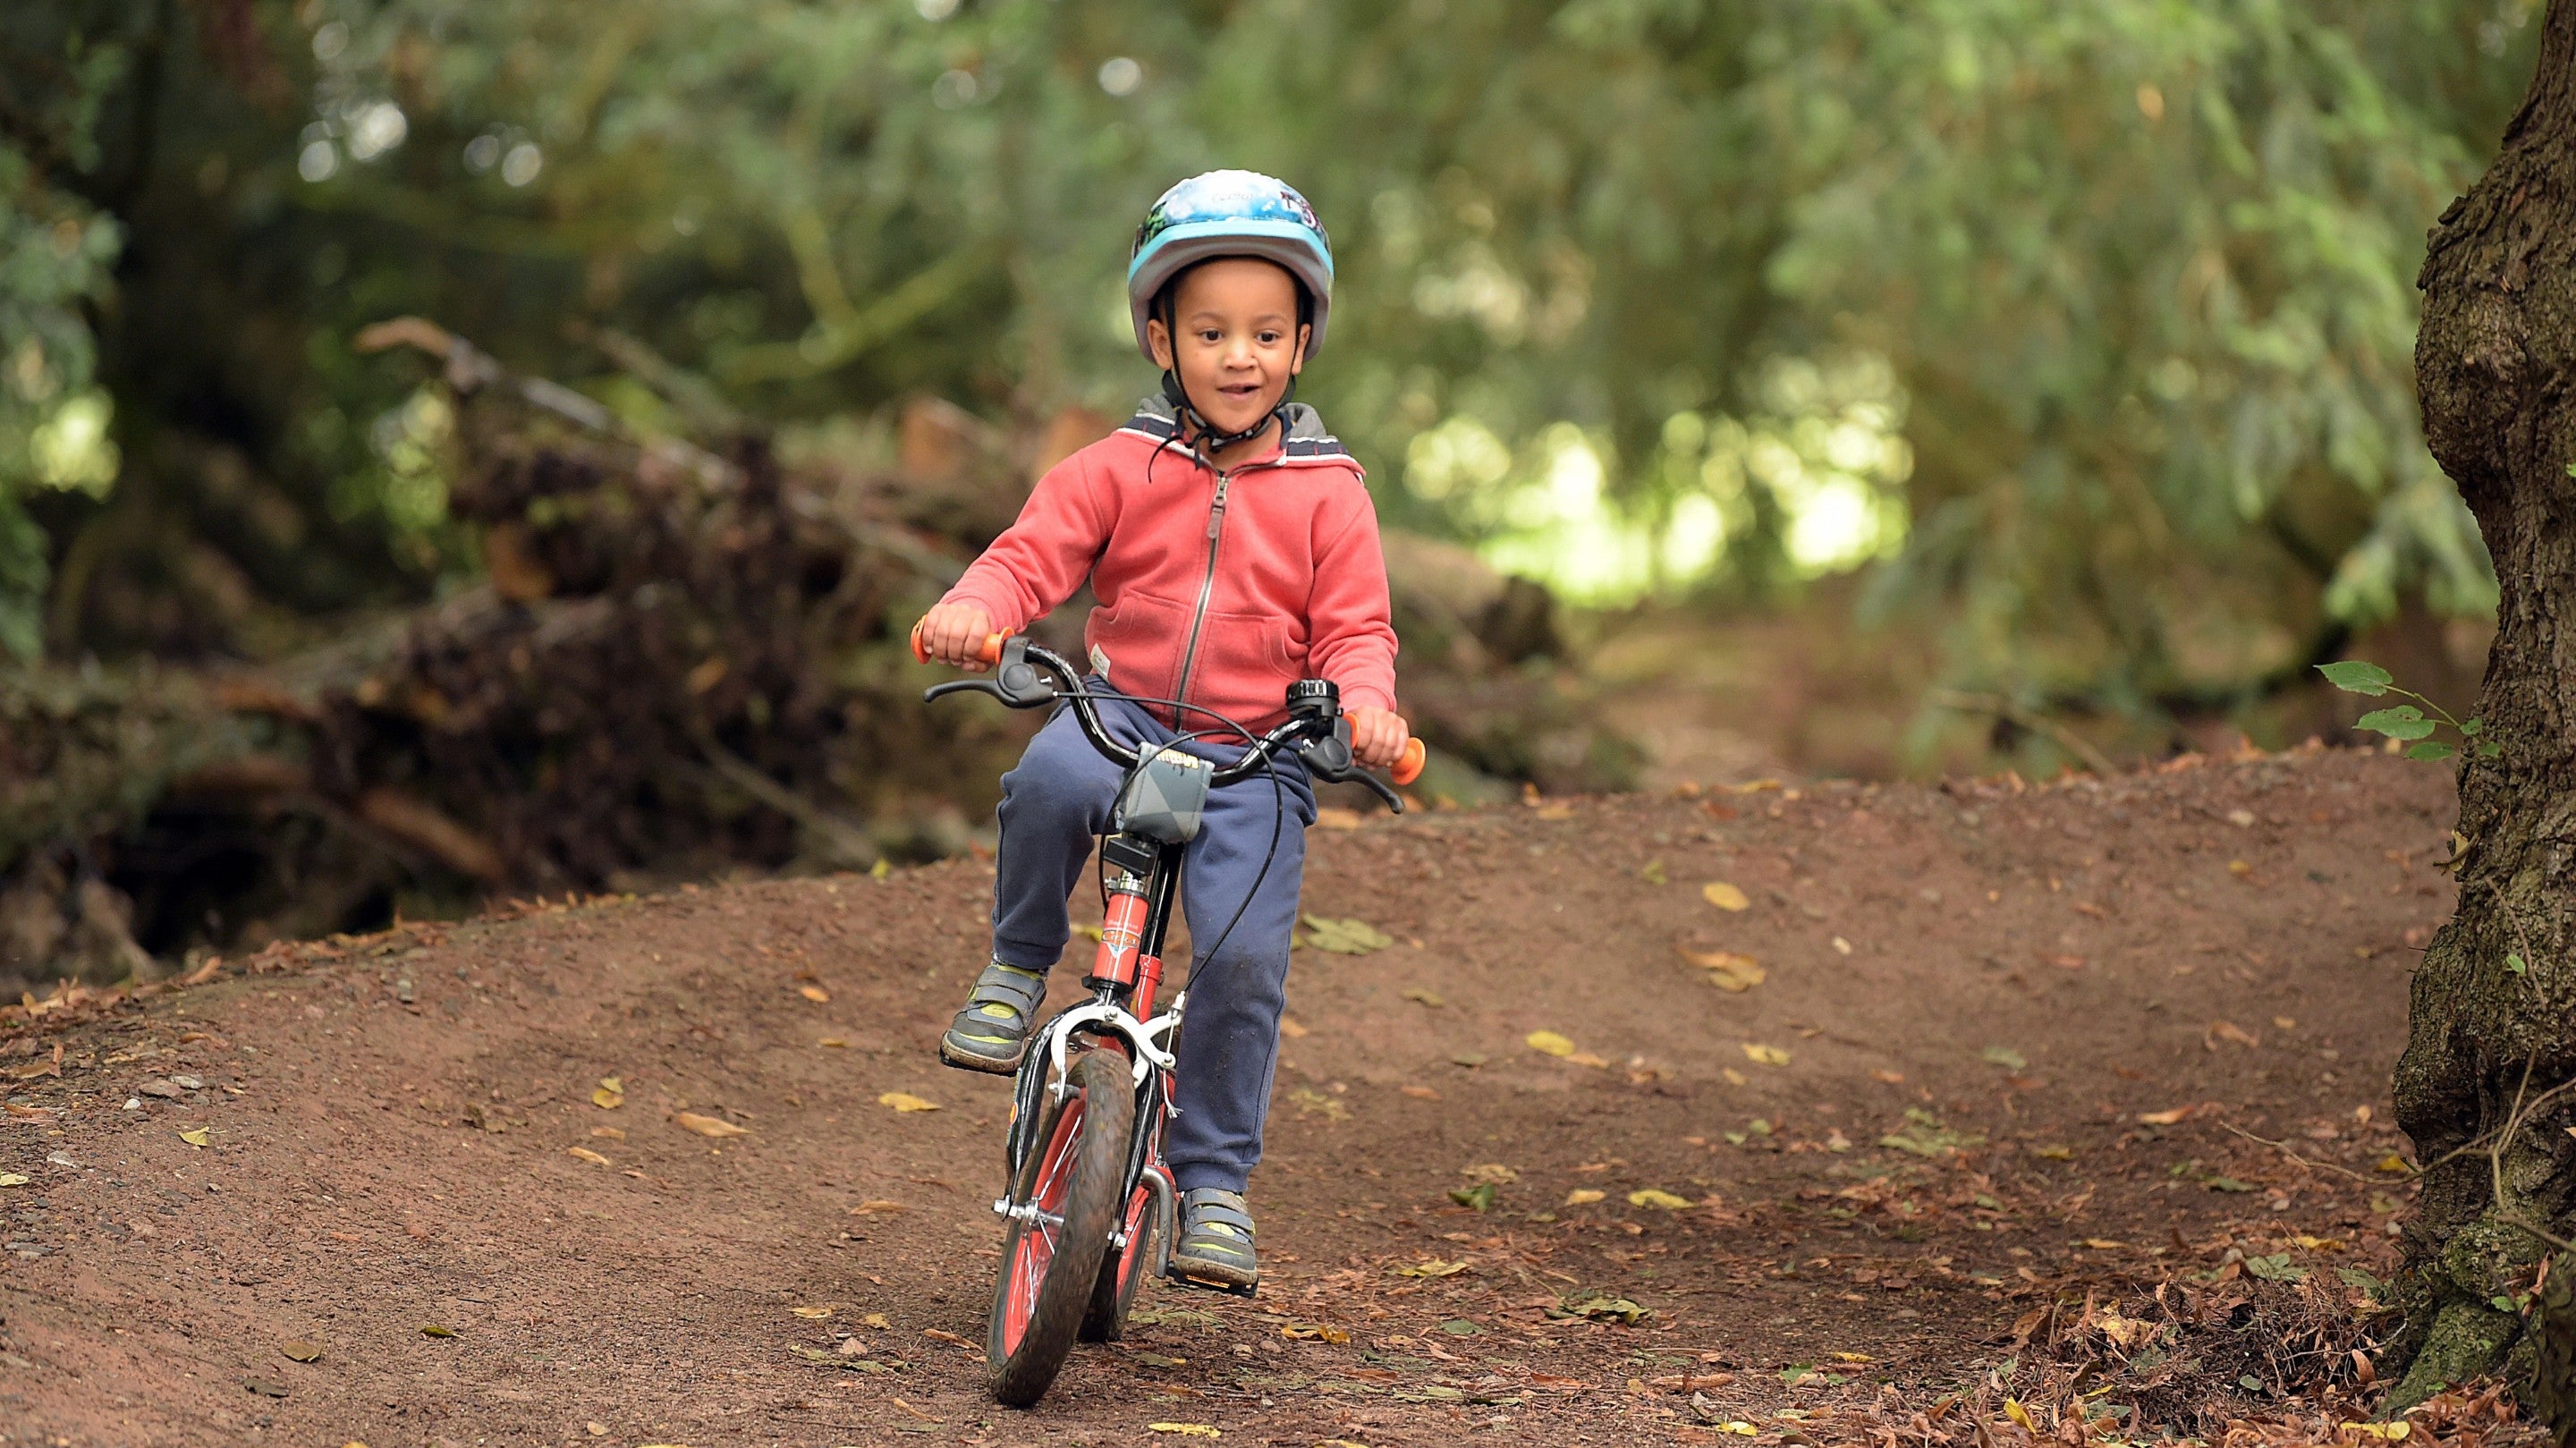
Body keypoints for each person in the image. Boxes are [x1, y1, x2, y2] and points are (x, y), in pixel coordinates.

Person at [912, 170, 1408, 1291]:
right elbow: (1030, 552)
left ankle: (1217, 1181)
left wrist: (1367, 707)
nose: (1242, 355)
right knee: (1044, 782)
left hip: (1256, 753)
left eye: (1268, 332)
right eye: (1212, 330)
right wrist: (981, 610)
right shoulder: (1114, 467)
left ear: (1302, 344)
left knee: (1241, 958)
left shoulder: (1333, 494)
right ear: (1160, 338)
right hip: (1122, 714)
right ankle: (1014, 964)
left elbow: (1357, 630)